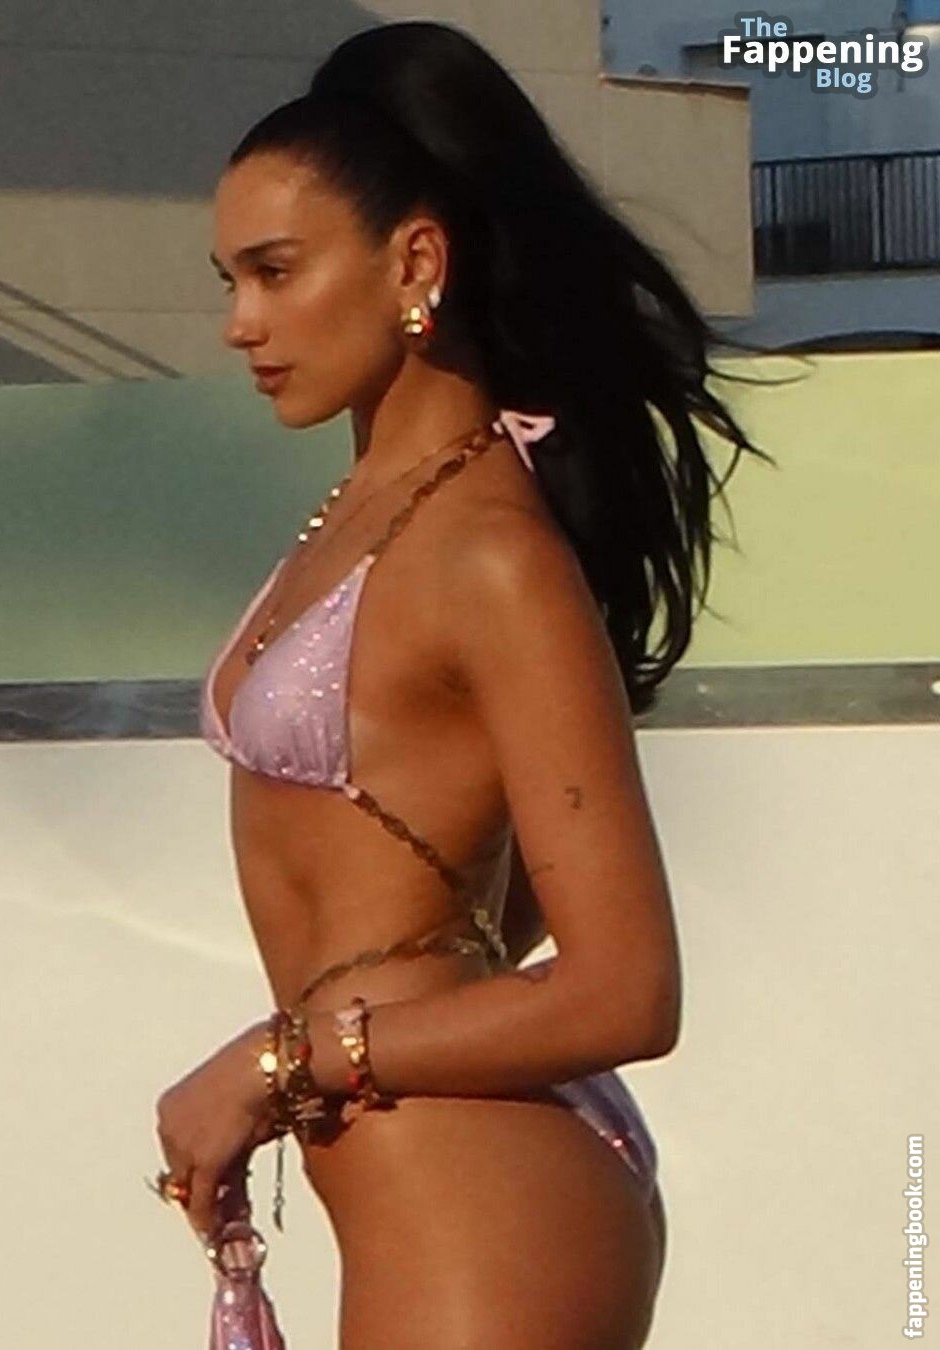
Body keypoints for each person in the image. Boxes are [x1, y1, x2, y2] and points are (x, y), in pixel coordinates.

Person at [153, 20, 773, 1348]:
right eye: (230, 278)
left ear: (416, 263)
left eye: (276, 272)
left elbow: (626, 988)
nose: (241, 323)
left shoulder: (491, 551)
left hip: (486, 1206)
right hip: (422, 1181)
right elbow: (468, 889)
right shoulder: (370, 512)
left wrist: (276, 1064)